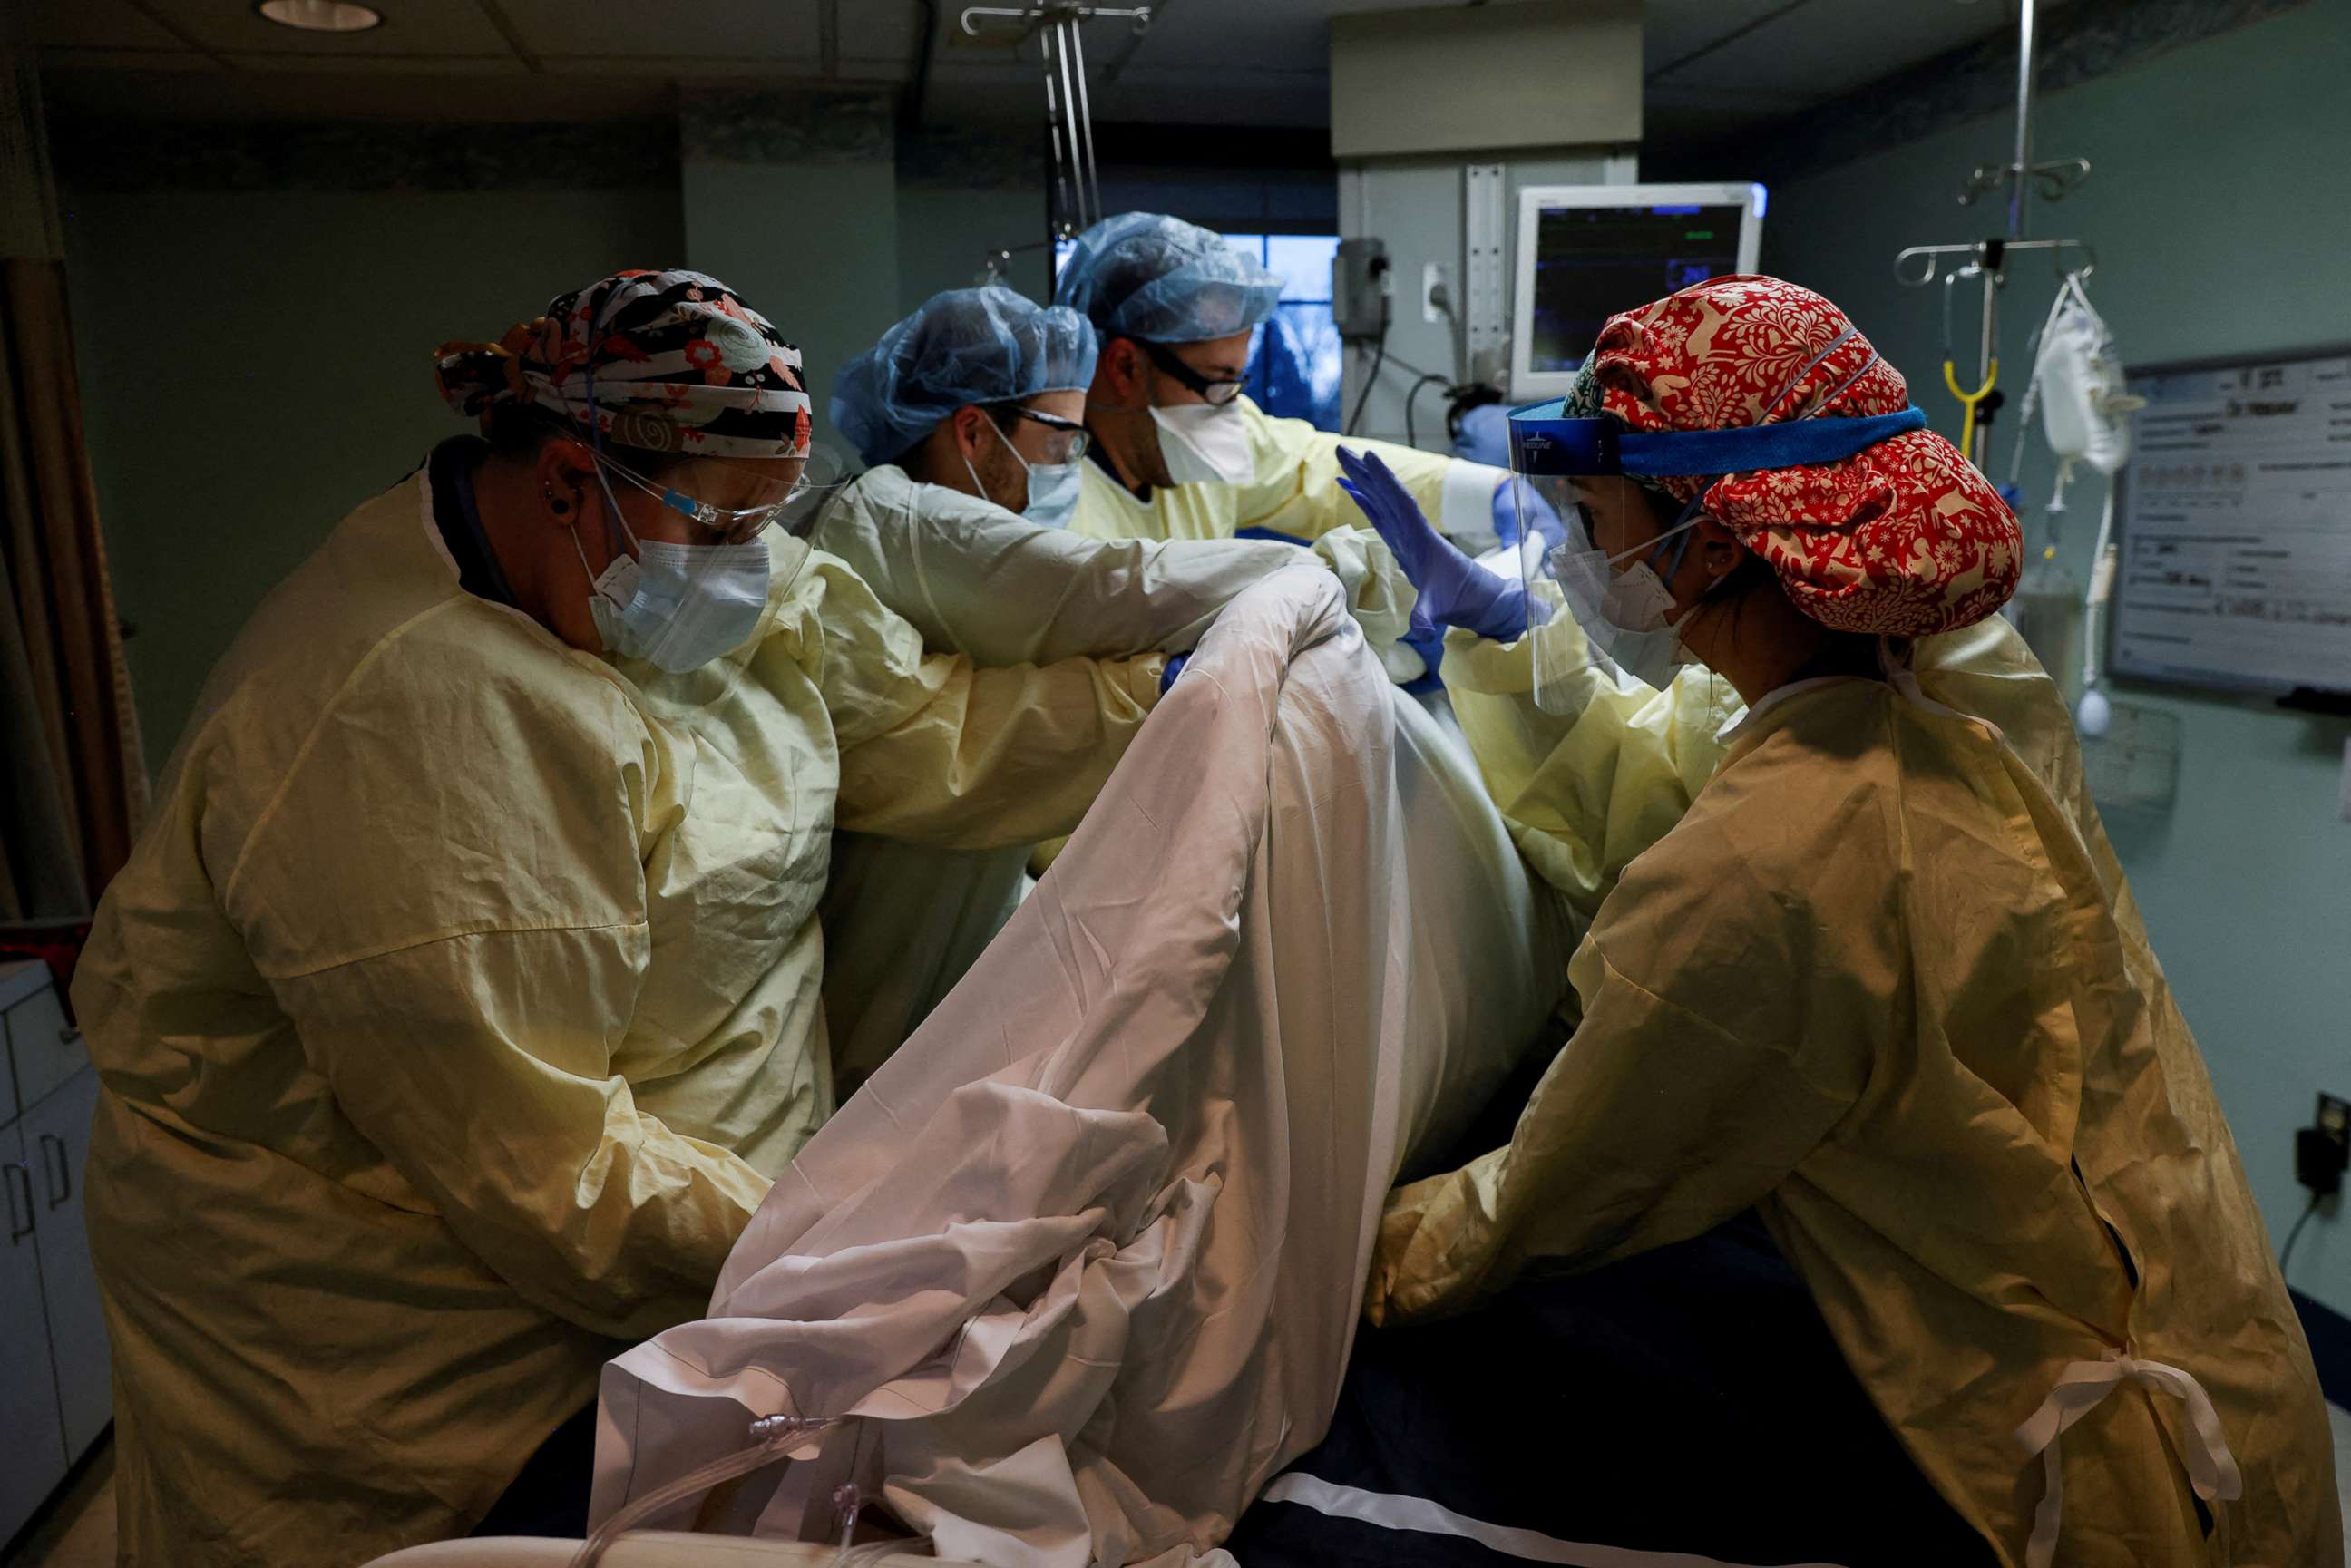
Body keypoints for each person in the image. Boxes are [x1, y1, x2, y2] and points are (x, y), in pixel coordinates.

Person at [72, 268, 1181, 1568]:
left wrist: (1166, 691)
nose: (750, 569)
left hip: (702, 1234)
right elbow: (551, 1175)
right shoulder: (398, 726)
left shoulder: (674, 561)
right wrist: (852, 1240)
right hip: (410, 1337)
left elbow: (923, 727)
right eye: (721, 532)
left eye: (767, 527)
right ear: (561, 481)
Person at [1324, 277, 2338, 1564]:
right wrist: (1515, 639)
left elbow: (1567, 1179)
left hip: (2110, 1490)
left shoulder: (1781, 865)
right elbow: (1697, 783)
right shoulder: (1955, 672)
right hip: (2231, 1350)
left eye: (1593, 512)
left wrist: (1344, 1251)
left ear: (1715, 534)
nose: (1577, 544)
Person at [811, 286, 1418, 1081]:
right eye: (1062, 438)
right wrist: (1341, 573)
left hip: (942, 953)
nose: (1072, 464)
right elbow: (1104, 591)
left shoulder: (928, 530)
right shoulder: (898, 521)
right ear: (971, 430)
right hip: (883, 985)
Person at [1051, 211, 1545, 557]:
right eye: (1217, 382)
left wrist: (1490, 491)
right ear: (1125, 368)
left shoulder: (1191, 430)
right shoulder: (1049, 509)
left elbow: (1319, 473)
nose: (1230, 408)